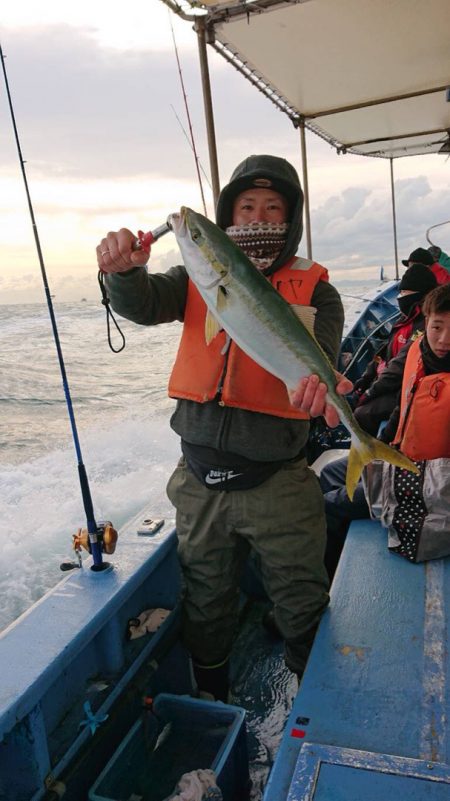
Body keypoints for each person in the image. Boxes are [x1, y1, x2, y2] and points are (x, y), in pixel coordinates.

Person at [96, 154, 351, 701]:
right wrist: (123, 272)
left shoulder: (318, 292)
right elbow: (142, 303)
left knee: (302, 599)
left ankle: (315, 711)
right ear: (229, 214)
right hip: (198, 479)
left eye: (273, 208)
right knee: (206, 602)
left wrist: (317, 388)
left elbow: (321, 354)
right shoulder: (197, 278)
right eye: (246, 207)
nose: (259, 217)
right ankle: (213, 697)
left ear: (292, 218)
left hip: (279, 480)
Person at [320, 283, 450, 578]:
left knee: (327, 505)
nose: (444, 340)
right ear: (426, 323)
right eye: (437, 327)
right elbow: (403, 407)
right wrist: (377, 447)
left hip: (428, 481)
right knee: (328, 474)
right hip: (400, 455)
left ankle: (324, 582)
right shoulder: (421, 355)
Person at [352, 263, 437, 435]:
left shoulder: (424, 324)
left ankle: (372, 454)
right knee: (353, 396)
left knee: (362, 414)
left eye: (405, 293)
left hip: (410, 389)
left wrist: (371, 392)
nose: (400, 298)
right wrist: (367, 377)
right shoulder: (405, 318)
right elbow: (385, 353)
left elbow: (401, 366)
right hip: (391, 384)